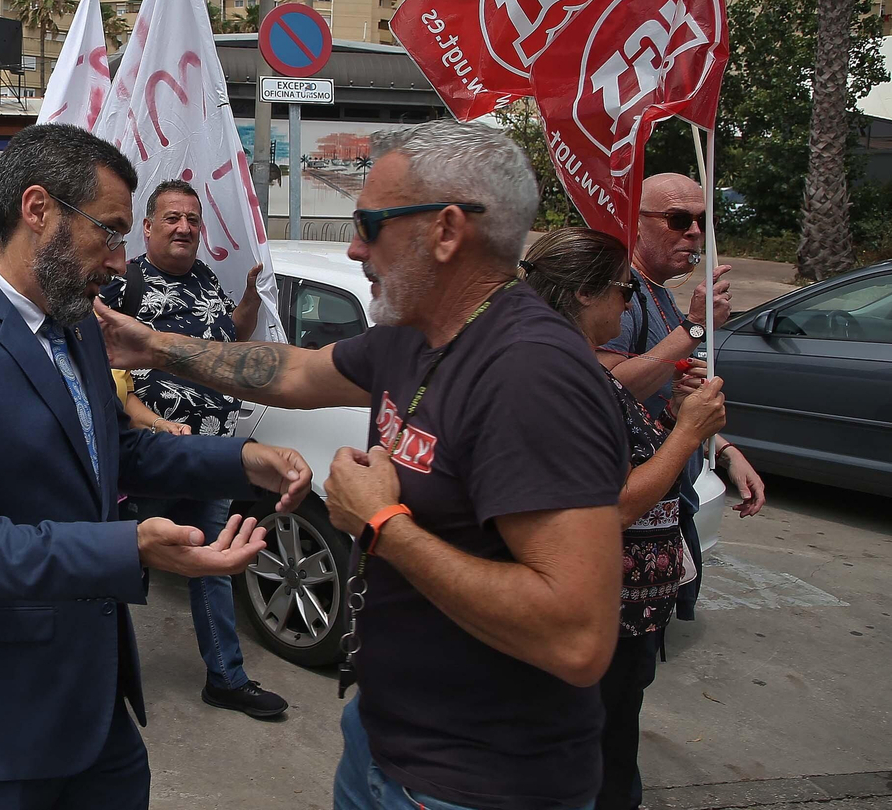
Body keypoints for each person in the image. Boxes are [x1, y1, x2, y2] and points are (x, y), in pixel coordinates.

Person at [97, 119, 629, 810]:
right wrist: (153, 346)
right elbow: (293, 371)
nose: (354, 248)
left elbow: (577, 636)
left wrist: (381, 524)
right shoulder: (412, 337)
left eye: (370, 224)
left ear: (445, 230)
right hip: (384, 742)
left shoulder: (530, 373)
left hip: (480, 783)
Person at [0, 123, 313, 810]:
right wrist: (132, 544)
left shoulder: (80, 324)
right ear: (38, 208)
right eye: (109, 231)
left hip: (91, 707)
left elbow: (114, 448)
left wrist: (239, 460)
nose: (119, 260)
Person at [521, 227, 729, 810]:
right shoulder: (569, 378)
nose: (629, 304)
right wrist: (687, 435)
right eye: (623, 291)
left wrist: (681, 421)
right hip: (597, 618)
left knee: (611, 747)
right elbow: (608, 504)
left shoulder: (574, 369)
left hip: (622, 618)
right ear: (586, 295)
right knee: (595, 764)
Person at [98, 179, 284, 719]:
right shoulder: (120, 285)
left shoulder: (206, 280)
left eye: (193, 221)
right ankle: (101, 681)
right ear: (148, 226)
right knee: (120, 567)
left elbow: (231, 336)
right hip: (146, 462)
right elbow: (102, 374)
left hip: (209, 457)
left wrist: (250, 294)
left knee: (214, 567)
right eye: (173, 218)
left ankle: (226, 677)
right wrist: (153, 422)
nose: (184, 228)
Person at [597, 172, 765, 521]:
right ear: (636, 224)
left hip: (674, 496)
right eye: (677, 219)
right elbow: (607, 388)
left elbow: (667, 401)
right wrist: (694, 326)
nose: (695, 232)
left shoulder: (662, 294)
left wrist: (725, 451)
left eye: (702, 220)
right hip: (638, 506)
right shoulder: (622, 295)